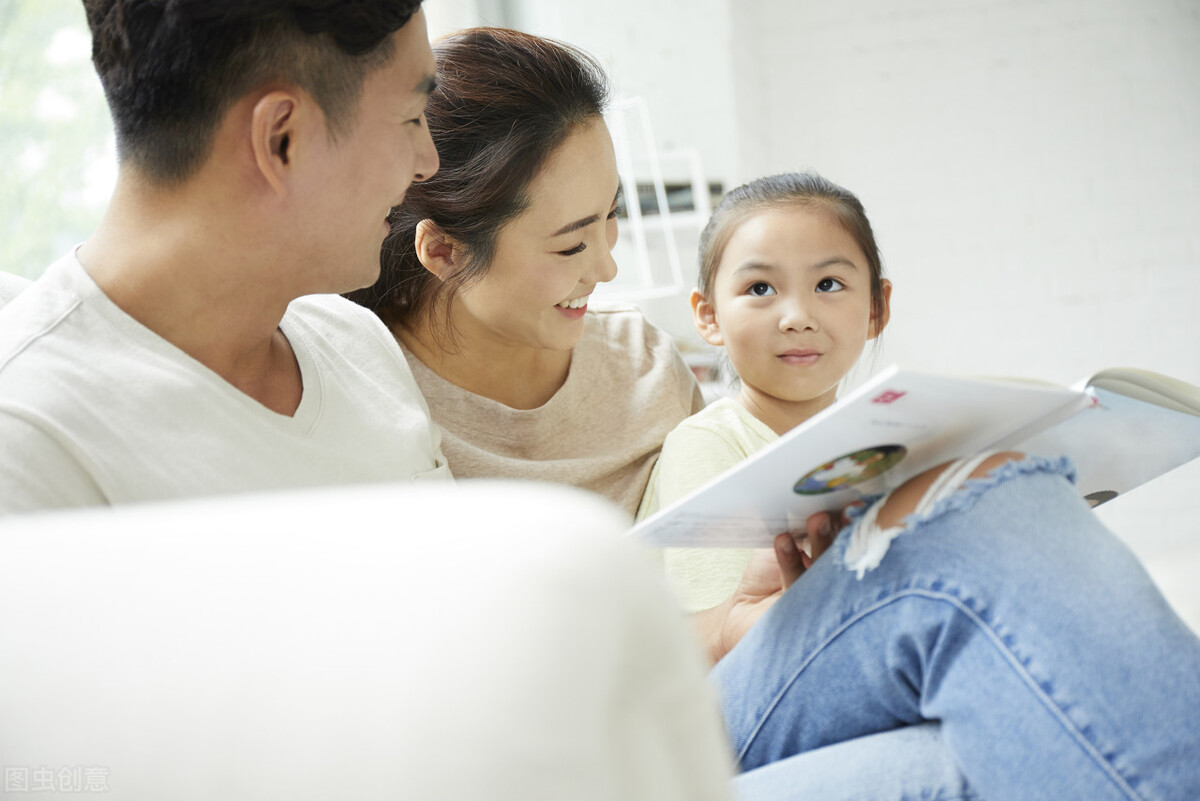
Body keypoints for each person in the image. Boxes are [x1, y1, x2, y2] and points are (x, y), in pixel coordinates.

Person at [641, 173, 1200, 798]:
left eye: (829, 284)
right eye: (760, 288)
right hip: (723, 715)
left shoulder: (876, 440)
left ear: (877, 307)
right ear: (709, 316)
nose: (796, 317)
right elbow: (712, 644)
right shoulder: (711, 443)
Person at [0, 0, 447, 515]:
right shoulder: (32, 445)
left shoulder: (357, 342)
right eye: (412, 118)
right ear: (282, 138)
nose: (428, 163)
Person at [348, 27, 703, 516]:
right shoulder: (361, 399)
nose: (606, 267)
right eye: (571, 245)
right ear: (445, 252)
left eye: (611, 216)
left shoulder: (647, 366)